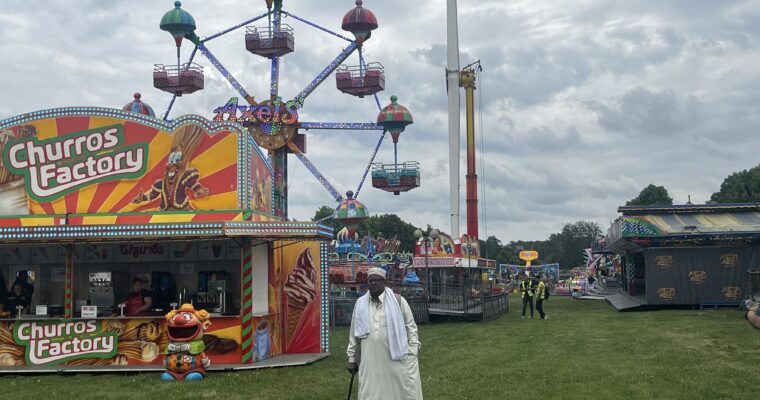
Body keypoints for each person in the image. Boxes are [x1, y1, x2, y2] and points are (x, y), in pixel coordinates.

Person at [346, 267, 423, 399]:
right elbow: (354, 333)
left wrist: (412, 351)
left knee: (399, 392)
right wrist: (351, 358)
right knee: (371, 392)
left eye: (377, 280)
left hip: (396, 359)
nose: (373, 283)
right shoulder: (360, 304)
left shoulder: (398, 301)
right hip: (369, 359)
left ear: (384, 282)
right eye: (371, 280)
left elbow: (411, 328)